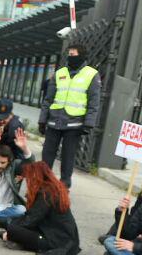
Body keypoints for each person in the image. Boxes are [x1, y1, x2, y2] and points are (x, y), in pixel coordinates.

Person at [39, 44, 101, 188]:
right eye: (69, 55)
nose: (70, 57)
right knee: (47, 155)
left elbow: (94, 102)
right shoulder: (60, 73)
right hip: (54, 121)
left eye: (73, 55)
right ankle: (42, 184)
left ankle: (64, 186)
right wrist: (42, 120)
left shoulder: (91, 74)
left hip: (74, 124)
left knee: (68, 156)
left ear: (82, 56)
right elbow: (48, 99)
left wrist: (89, 123)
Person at [0, 160, 81, 255]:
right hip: (59, 236)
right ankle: (17, 240)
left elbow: (31, 219)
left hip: (55, 240)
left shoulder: (46, 193)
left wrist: (11, 228)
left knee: (12, 229)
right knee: (11, 225)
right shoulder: (51, 188)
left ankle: (19, 241)